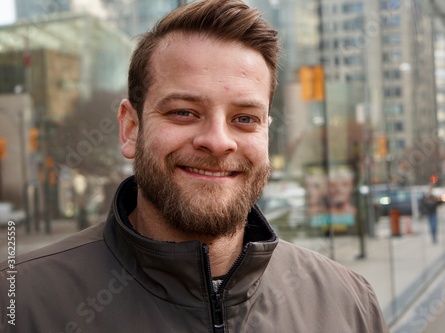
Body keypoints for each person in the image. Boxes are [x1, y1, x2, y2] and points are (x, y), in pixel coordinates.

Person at [0, 1, 389, 331]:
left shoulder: (349, 305)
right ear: (130, 129)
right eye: (184, 112)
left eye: (245, 118)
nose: (218, 141)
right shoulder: (19, 303)